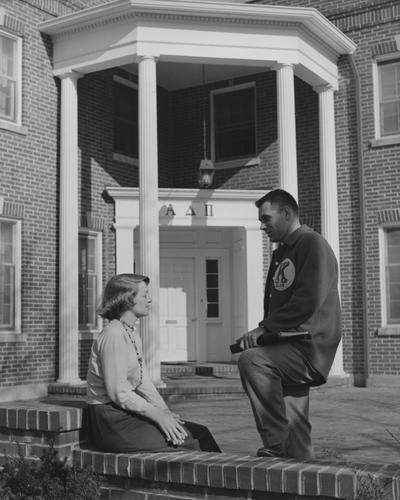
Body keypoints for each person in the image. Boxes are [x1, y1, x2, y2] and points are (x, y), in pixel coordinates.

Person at [236, 189, 341, 460]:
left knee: (253, 361)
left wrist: (264, 329)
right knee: (297, 430)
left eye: (266, 218)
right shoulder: (282, 252)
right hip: (287, 344)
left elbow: (308, 299)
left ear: (286, 213)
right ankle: (303, 479)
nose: (262, 226)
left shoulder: (312, 244)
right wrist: (269, 333)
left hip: (308, 346)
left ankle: (275, 443)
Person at [86, 273, 221, 453]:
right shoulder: (113, 335)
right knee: (188, 442)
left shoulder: (131, 333)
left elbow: (142, 381)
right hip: (112, 421)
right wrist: (158, 416)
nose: (150, 300)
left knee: (200, 433)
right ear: (126, 299)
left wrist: (164, 412)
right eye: (144, 295)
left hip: (123, 412)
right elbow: (119, 393)